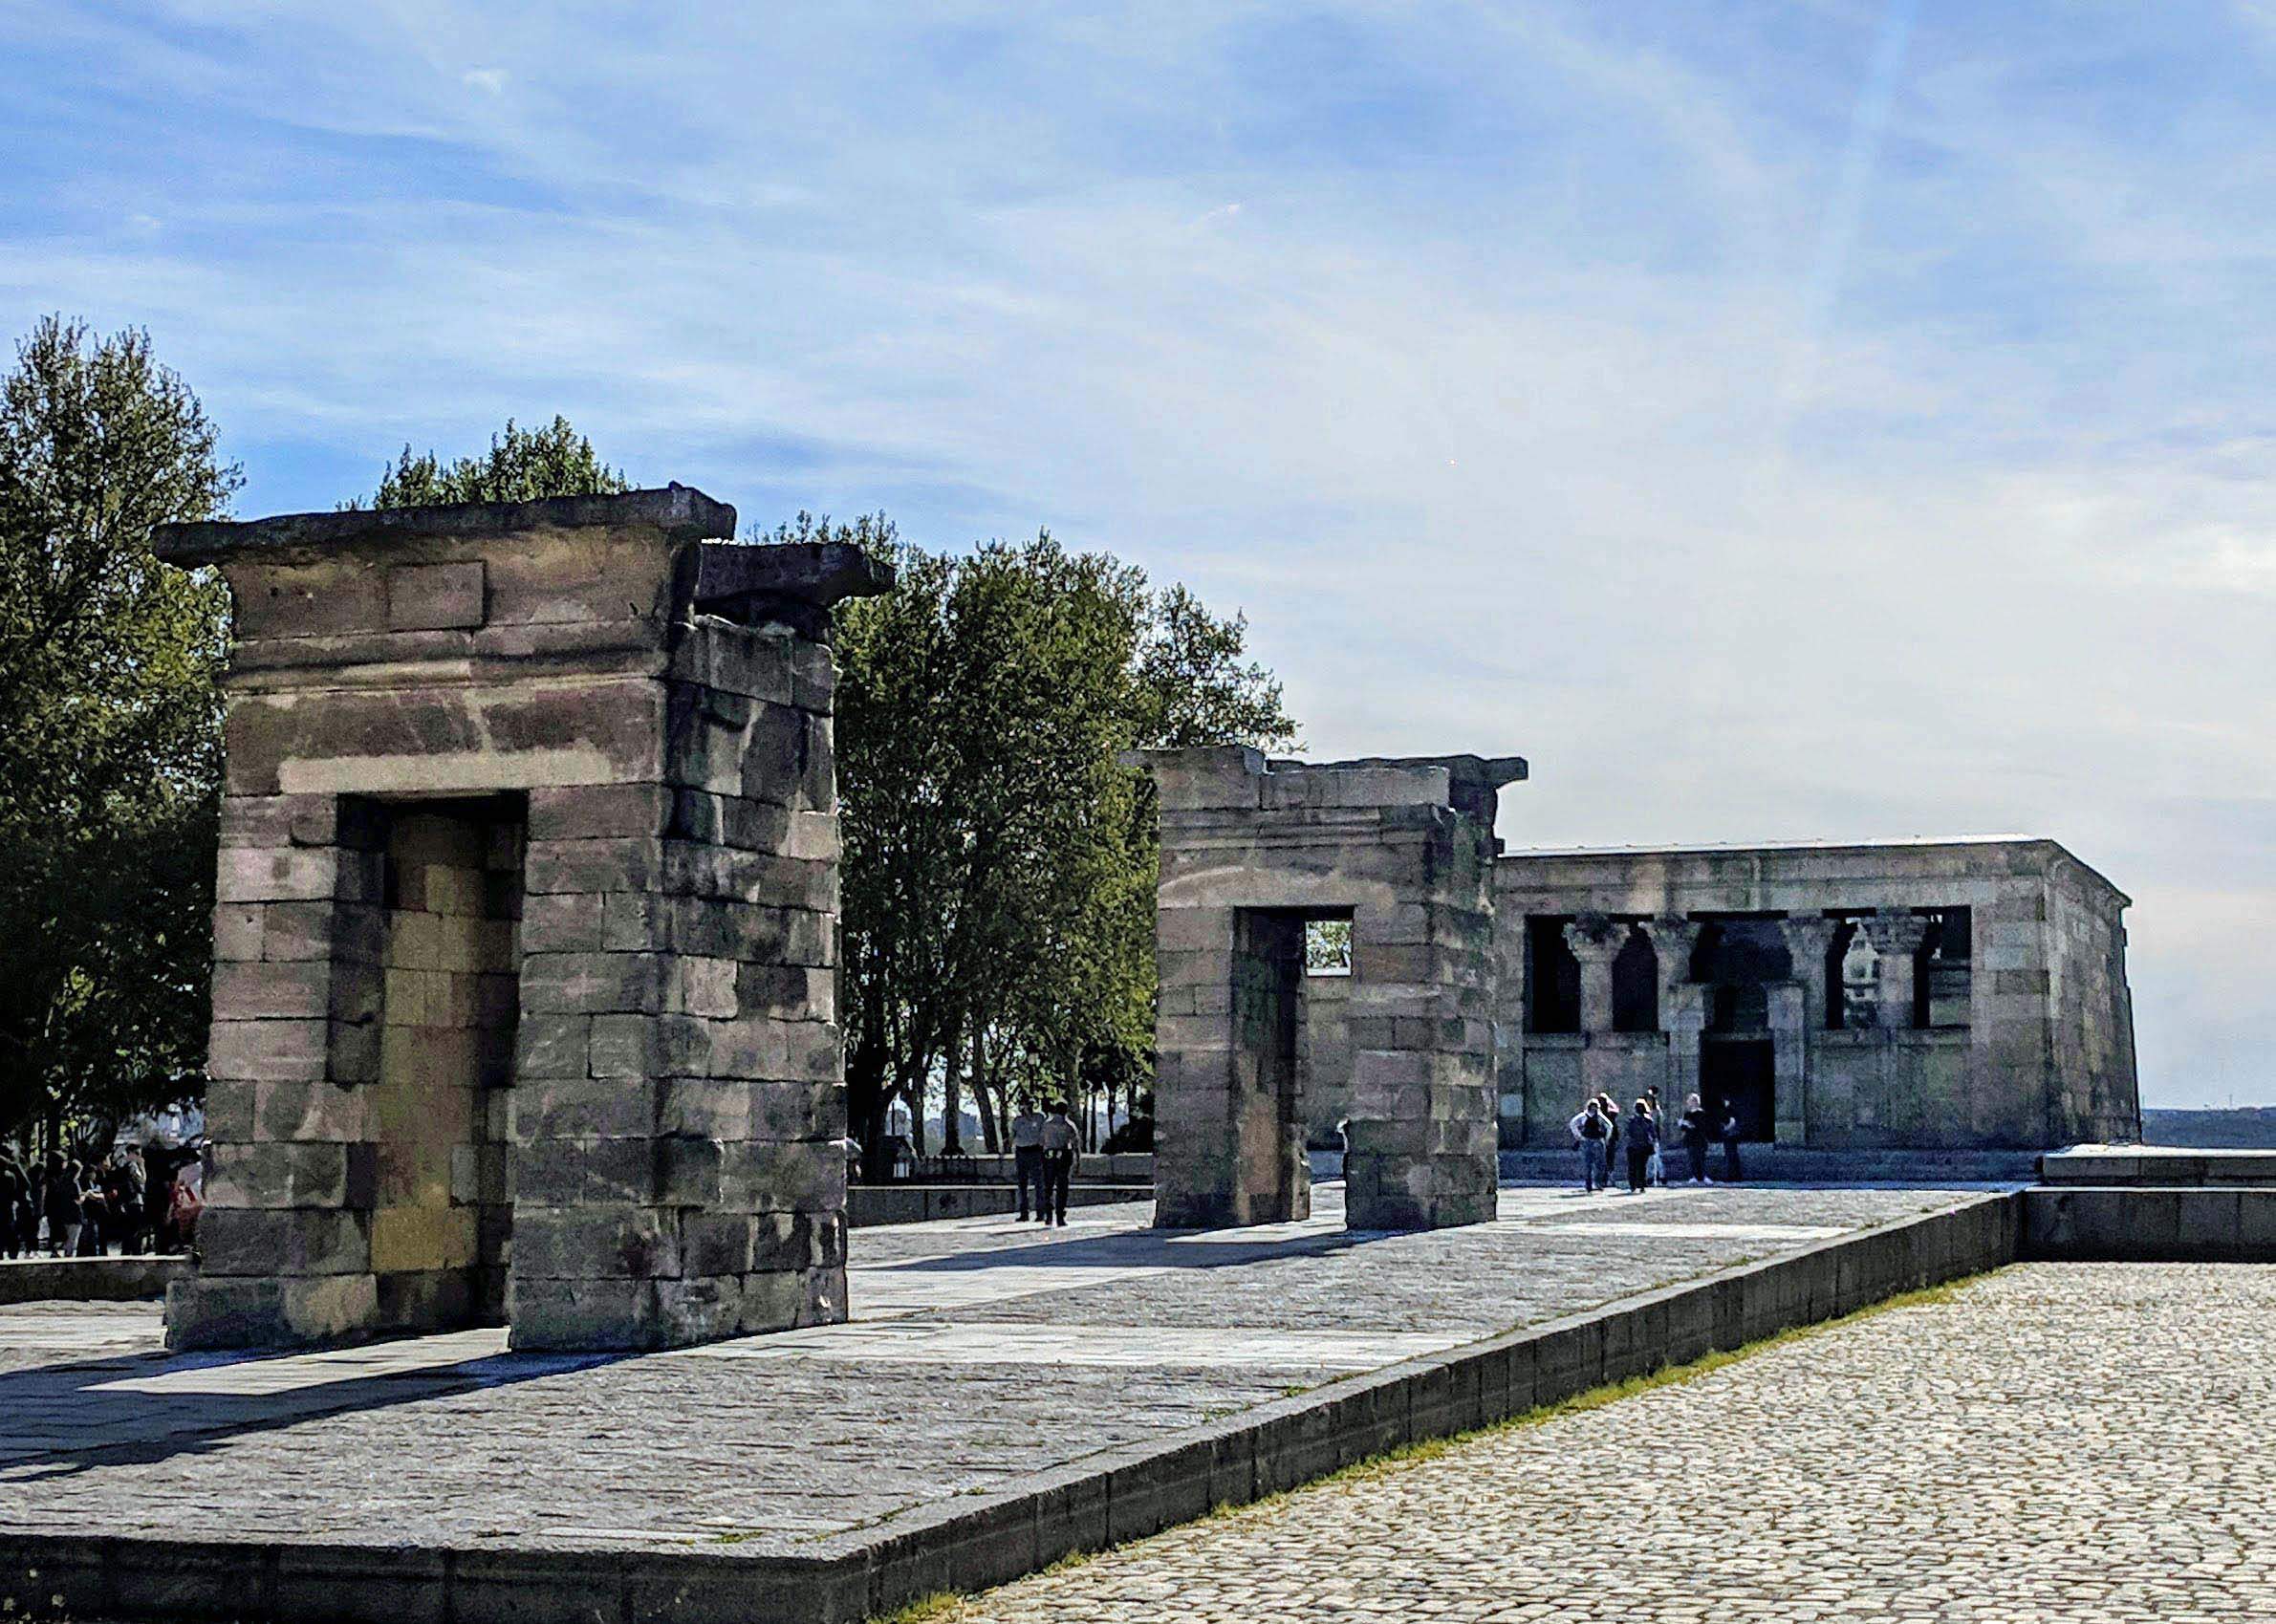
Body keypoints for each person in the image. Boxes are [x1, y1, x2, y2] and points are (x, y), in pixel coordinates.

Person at [1038, 1100, 1081, 1226]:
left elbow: (1041, 1142)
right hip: (1063, 1155)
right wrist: (1078, 1161)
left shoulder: (1047, 1125)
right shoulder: (1069, 1125)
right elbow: (1075, 1144)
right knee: (1062, 1187)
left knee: (1048, 1186)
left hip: (1049, 1155)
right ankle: (1060, 1215)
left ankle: (1049, 1215)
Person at [1008, 1098, 1047, 1222]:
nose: (1026, 1107)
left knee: (1039, 1183)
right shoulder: (1017, 1121)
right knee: (1022, 1184)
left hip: (1036, 1151)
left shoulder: (1040, 1118)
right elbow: (1013, 1136)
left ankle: (1041, 1213)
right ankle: (1024, 1213)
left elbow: (1044, 1134)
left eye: (1029, 1105)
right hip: (1021, 1151)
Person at [1569, 1099, 1611, 1192]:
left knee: (1591, 1164)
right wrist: (1606, 1138)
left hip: (1589, 1141)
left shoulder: (1589, 1116)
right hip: (1595, 1141)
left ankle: (1592, 1184)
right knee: (1595, 1164)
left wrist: (1578, 1136)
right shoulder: (1595, 1116)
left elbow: (1572, 1123)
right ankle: (1594, 1184)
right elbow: (1609, 1126)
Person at [1624, 1098, 1659, 1194]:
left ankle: (1635, 1185)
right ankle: (1640, 1185)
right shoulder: (1647, 1120)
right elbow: (1653, 1134)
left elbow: (1627, 1133)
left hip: (1635, 1146)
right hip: (1642, 1145)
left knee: (1634, 1166)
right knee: (1641, 1166)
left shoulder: (1631, 1120)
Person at [1679, 1093, 1712, 1184]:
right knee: (1692, 1159)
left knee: (1701, 1158)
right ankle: (1693, 1176)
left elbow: (1700, 1126)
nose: (1688, 1102)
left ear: (1695, 1102)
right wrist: (1683, 1124)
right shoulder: (1687, 1114)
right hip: (1690, 1139)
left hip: (1700, 1139)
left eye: (1689, 1100)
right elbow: (1684, 1127)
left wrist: (1689, 1125)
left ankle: (1704, 1176)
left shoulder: (1701, 1113)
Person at [1644, 1088, 1668, 1186]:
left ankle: (1662, 1176)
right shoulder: (1643, 1111)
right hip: (1646, 1137)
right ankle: (1650, 1177)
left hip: (1654, 1137)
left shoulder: (1656, 1112)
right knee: (1649, 1159)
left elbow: (1660, 1123)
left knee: (1656, 1158)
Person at [1719, 1101, 1745, 1182]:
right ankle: (1735, 1175)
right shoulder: (1730, 1110)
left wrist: (1725, 1129)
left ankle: (1733, 1176)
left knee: (1731, 1156)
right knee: (1731, 1155)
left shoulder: (1730, 1111)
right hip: (1730, 1136)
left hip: (1730, 1136)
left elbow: (1732, 1122)